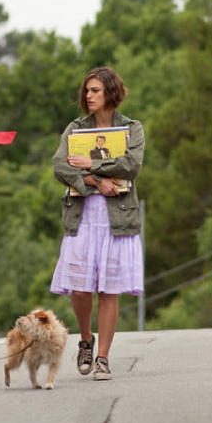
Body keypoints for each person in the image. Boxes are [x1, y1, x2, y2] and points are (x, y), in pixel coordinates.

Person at [50, 66, 144, 381]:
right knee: (80, 287)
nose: (89, 96)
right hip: (82, 215)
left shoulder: (132, 128)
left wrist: (92, 164)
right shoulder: (75, 130)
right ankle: (86, 338)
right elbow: (60, 165)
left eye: (96, 91)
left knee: (108, 289)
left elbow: (130, 165)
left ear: (110, 93)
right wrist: (92, 180)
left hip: (116, 217)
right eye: (87, 91)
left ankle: (102, 358)